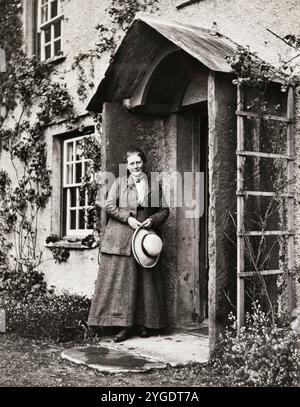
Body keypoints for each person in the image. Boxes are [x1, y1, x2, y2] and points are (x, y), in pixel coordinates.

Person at [87, 148, 169, 342]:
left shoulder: (153, 184)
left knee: (145, 282)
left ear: (144, 162)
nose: (135, 166)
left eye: (138, 162)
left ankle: (144, 324)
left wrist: (152, 220)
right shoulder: (119, 183)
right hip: (122, 237)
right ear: (127, 166)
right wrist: (128, 218)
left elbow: (164, 210)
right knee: (125, 283)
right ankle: (124, 326)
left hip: (144, 238)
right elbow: (109, 206)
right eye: (131, 163)